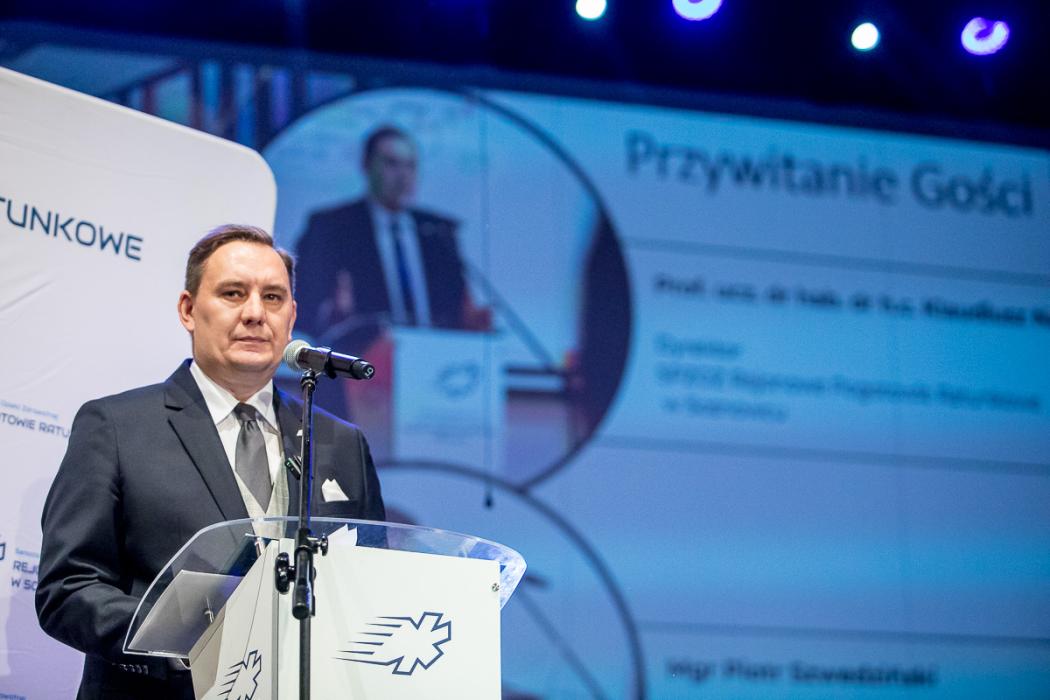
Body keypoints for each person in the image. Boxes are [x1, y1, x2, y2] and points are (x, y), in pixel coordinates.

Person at [35, 225, 385, 700]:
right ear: (188, 309)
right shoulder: (116, 427)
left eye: (273, 297)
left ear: (292, 316)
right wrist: (183, 638)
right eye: (233, 293)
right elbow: (68, 588)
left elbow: (372, 588)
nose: (255, 313)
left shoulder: (341, 443)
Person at [294, 124, 489, 353]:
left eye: (410, 166)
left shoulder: (438, 231)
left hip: (434, 356)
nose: (403, 176)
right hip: (361, 358)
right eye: (392, 163)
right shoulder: (331, 226)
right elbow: (305, 303)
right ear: (367, 165)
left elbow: (457, 308)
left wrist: (470, 320)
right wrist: (330, 313)